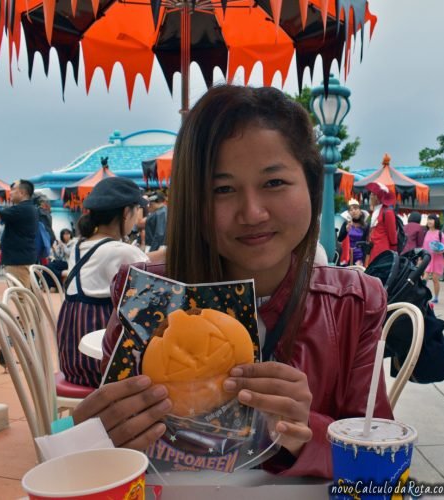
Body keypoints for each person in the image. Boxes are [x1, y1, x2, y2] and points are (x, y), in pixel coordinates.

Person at [71, 85, 393, 478]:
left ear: (310, 184)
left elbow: (380, 468)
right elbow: (110, 460)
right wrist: (94, 440)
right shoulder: (145, 299)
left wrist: (307, 432)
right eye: (222, 189)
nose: (253, 212)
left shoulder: (354, 304)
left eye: (274, 182)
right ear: (193, 201)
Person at [57, 177, 149, 388]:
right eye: (137, 211)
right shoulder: (123, 250)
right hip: (104, 367)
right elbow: (151, 287)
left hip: (72, 363)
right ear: (126, 212)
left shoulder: (79, 246)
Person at [0, 179, 38, 288]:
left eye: (13, 189)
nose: (10, 192)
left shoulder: (22, 209)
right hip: (21, 259)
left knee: (21, 297)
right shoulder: (27, 208)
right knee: (22, 296)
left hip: (18, 262)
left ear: (22, 192)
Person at [365, 181, 398, 264]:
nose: (370, 196)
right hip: (373, 249)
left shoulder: (387, 212)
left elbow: (392, 234)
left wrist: (393, 252)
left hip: (382, 251)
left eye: (372, 194)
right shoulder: (376, 211)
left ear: (377, 197)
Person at [423, 214, 444, 304]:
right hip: (428, 258)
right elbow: (424, 247)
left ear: (436, 221)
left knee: (435, 279)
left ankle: (436, 297)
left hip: (438, 259)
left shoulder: (440, 233)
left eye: (431, 219)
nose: (429, 221)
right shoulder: (426, 232)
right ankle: (423, 296)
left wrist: (440, 251)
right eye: (428, 219)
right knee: (425, 278)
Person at [337, 199, 369, 265]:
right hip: (347, 255)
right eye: (351, 210)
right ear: (349, 213)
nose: (353, 211)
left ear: (360, 211)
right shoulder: (346, 224)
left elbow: (366, 243)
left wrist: (363, 259)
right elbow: (340, 239)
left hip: (360, 257)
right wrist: (346, 230)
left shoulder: (365, 226)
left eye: (355, 209)